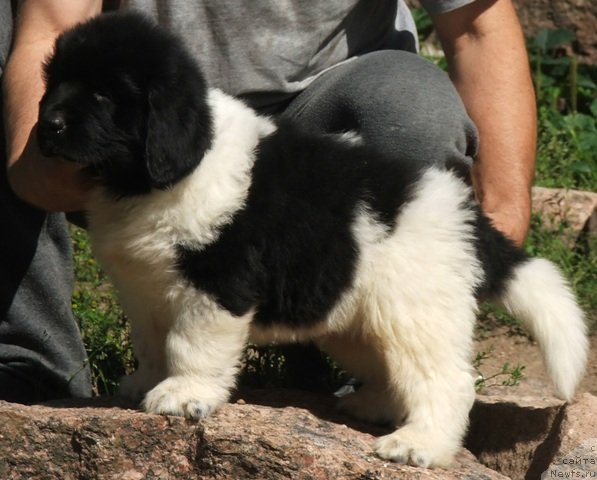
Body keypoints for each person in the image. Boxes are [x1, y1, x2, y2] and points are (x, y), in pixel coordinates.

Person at [0, 0, 536, 401]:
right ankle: (27, 361)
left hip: (321, 106)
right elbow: (50, 25)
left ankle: (370, 369)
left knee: (409, 110)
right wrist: (36, 150)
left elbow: (476, 27)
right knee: (9, 61)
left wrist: (502, 209)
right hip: (136, 121)